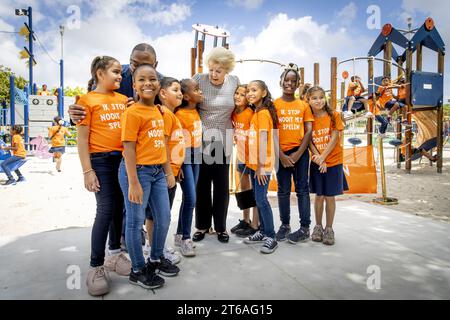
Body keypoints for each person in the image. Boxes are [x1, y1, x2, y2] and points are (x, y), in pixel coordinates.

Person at [118, 64, 179, 291]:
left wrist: (168, 171)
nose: (147, 83)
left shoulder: (160, 112)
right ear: (134, 85)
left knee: (163, 218)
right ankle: (138, 269)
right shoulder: (132, 113)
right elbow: (129, 148)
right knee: (135, 222)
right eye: (141, 79)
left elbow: (161, 143)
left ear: (158, 84)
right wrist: (133, 182)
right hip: (137, 172)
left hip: (157, 172)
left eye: (152, 79)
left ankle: (155, 259)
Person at [76, 56, 132, 296]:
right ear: (100, 73)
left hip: (123, 160)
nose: (120, 76)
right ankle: (95, 266)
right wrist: (87, 171)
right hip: (101, 161)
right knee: (105, 209)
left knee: (120, 208)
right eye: (116, 72)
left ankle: (114, 254)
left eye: (120, 72)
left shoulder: (124, 100)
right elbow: (81, 139)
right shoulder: (86, 101)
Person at [192, 47, 240, 244]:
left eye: (218, 70)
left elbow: (243, 103)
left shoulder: (235, 82)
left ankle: (220, 227)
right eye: (211, 69)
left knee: (221, 186)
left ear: (227, 70)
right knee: (201, 185)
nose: (213, 74)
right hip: (202, 139)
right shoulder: (199, 79)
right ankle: (202, 226)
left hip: (223, 139)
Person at [144, 77, 184, 262]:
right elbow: (164, 146)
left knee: (159, 215)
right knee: (158, 215)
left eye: (180, 90)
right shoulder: (165, 115)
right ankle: (154, 249)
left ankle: (153, 247)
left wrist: (177, 168)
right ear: (162, 93)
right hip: (164, 174)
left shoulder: (171, 114)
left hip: (172, 172)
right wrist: (168, 172)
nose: (180, 93)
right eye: (175, 89)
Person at [68, 43, 162, 123]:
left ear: (155, 65)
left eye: (146, 65)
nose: (139, 70)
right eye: (135, 64)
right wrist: (77, 114)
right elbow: (92, 107)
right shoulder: (113, 75)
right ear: (130, 61)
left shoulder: (164, 84)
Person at [273, 64, 314, 243]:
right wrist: (281, 155)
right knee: (282, 191)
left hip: (300, 153)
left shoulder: (303, 105)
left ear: (298, 84)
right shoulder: (274, 105)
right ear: (280, 81)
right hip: (281, 153)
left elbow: (309, 130)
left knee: (302, 190)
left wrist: (297, 154)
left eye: (293, 81)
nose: (289, 83)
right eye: (286, 80)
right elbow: (272, 132)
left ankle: (305, 228)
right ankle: (285, 225)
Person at [307, 86, 348, 246]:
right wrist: (319, 160)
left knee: (330, 197)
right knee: (319, 196)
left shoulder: (334, 115)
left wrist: (324, 158)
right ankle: (318, 227)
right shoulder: (309, 118)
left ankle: (329, 229)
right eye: (314, 98)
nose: (319, 101)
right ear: (308, 100)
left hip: (333, 162)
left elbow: (335, 138)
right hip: (318, 162)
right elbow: (309, 140)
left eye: (321, 97)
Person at [243, 80, 278, 254]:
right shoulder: (256, 112)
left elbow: (264, 139)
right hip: (254, 164)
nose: (250, 93)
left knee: (262, 200)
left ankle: (271, 235)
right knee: (257, 199)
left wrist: (261, 166)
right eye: (248, 90)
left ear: (264, 93)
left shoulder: (263, 113)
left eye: (254, 90)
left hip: (261, 165)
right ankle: (263, 231)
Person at [173, 78, 203, 256]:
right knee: (191, 198)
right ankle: (186, 238)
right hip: (185, 160)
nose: (200, 92)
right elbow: (178, 143)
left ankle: (178, 234)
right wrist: (179, 166)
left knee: (189, 198)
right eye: (197, 89)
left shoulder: (196, 111)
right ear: (186, 96)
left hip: (197, 157)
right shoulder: (179, 115)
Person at [230, 84, 260, 237]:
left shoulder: (251, 114)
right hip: (241, 156)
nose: (237, 96)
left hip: (252, 158)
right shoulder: (234, 113)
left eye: (242, 94)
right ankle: (246, 220)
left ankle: (256, 224)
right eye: (236, 93)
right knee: (244, 190)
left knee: (255, 192)